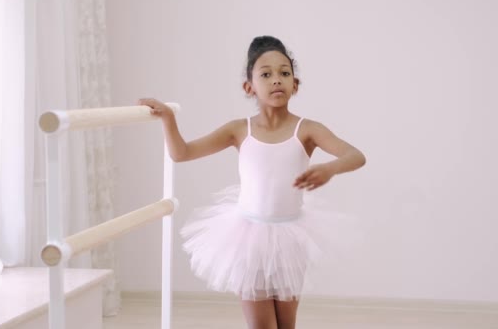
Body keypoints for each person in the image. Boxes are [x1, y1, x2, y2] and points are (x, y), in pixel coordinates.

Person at [139, 35, 366, 329]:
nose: (276, 80)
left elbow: (356, 155)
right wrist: (168, 119)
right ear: (249, 86)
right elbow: (182, 153)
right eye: (266, 74)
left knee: (286, 325)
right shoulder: (238, 130)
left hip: (291, 238)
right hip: (247, 238)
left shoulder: (307, 129)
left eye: (285, 73)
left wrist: (330, 168)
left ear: (295, 85)